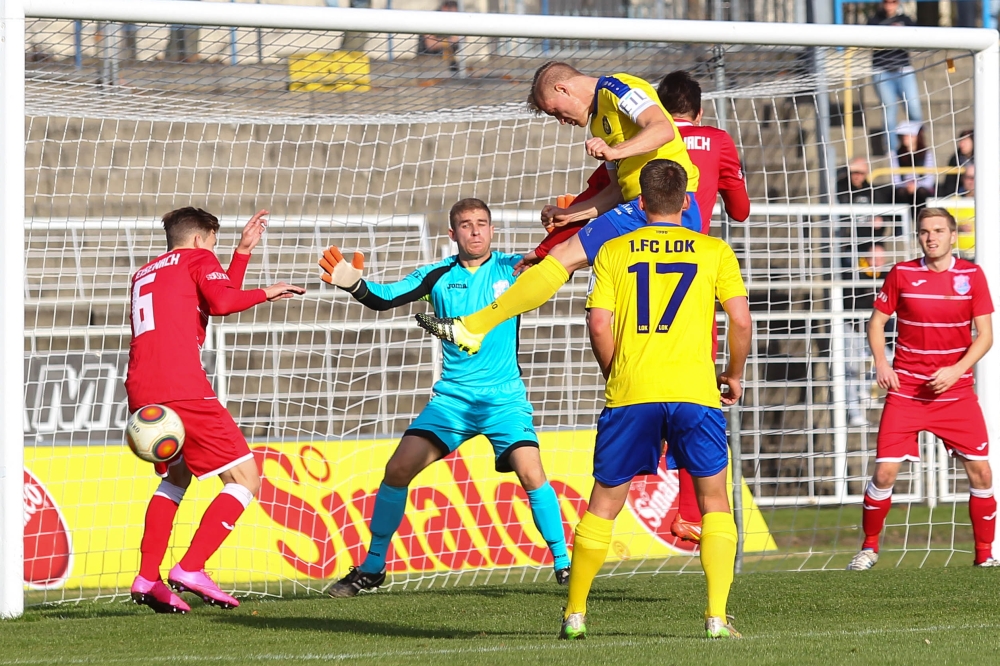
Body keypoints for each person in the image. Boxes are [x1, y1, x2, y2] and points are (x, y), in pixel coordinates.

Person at [319, 198, 571, 597]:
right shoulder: (435, 275)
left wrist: (569, 221)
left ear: (492, 230)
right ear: (452, 233)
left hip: (503, 401)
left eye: (482, 224)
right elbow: (383, 297)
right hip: (452, 401)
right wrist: (354, 283)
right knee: (397, 469)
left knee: (531, 471)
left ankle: (564, 562)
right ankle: (372, 567)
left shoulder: (514, 267)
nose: (476, 231)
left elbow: (567, 257)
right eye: (467, 225)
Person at [559, 159, 751, 640]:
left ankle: (576, 614)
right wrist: (733, 374)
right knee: (713, 503)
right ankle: (714, 617)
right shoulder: (713, 250)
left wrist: (616, 371)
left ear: (640, 202)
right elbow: (741, 321)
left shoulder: (614, 250)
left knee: (604, 503)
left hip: (633, 390)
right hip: (695, 391)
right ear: (686, 200)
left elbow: (599, 323)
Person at [416, 62, 701, 355]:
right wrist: (570, 214)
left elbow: (663, 128)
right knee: (602, 295)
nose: (560, 121)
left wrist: (615, 151)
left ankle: (473, 327)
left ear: (563, 89)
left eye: (554, 111)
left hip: (665, 205)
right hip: (639, 207)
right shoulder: (598, 122)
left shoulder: (619, 88)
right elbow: (615, 192)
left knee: (566, 259)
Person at [128, 208, 305, 613]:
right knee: (246, 478)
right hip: (183, 386)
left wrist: (242, 252)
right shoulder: (197, 258)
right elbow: (224, 302)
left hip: (143, 389)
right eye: (214, 242)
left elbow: (213, 298)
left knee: (176, 477)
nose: (214, 250)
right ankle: (191, 567)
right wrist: (268, 291)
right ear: (199, 238)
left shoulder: (144, 273)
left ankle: (147, 577)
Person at [847, 208, 997, 571]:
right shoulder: (902, 273)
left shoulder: (972, 276)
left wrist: (957, 369)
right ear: (918, 237)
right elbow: (876, 322)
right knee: (884, 472)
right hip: (908, 391)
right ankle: (868, 549)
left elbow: (986, 335)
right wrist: (882, 364)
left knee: (982, 472)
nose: (931, 237)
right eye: (925, 232)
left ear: (952, 236)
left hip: (956, 391)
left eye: (939, 231)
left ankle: (984, 556)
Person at [867, 0, 921, 149]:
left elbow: (917, 38)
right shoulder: (874, 20)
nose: (890, 4)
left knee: (914, 108)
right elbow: (869, 41)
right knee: (890, 109)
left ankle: (918, 145)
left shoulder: (906, 20)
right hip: (882, 71)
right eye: (886, 1)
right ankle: (891, 150)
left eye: (893, 1)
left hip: (904, 69)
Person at [891, 121, 935, 214]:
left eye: (909, 135)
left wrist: (916, 186)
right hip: (904, 189)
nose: (905, 138)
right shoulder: (895, 154)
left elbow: (929, 179)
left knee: (921, 193)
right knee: (900, 193)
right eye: (903, 135)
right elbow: (895, 179)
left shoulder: (927, 154)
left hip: (921, 190)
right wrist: (907, 186)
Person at [417, 0, 461, 72]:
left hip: (447, 63)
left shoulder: (452, 22)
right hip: (427, 62)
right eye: (451, 13)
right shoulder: (431, 19)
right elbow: (430, 44)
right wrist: (450, 41)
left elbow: (462, 39)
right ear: (445, 8)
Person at [939, 129, 973, 198]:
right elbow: (950, 182)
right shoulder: (955, 159)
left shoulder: (982, 159)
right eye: (961, 141)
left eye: (965, 141)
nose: (962, 144)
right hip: (960, 193)